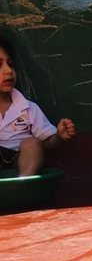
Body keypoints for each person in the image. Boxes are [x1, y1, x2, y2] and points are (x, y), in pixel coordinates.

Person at [0, 36, 76, 176]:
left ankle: (23, 183)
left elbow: (47, 142)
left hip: (20, 161)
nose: (8, 70)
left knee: (32, 143)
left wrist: (59, 136)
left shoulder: (27, 108)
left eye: (10, 64)